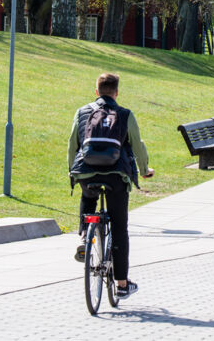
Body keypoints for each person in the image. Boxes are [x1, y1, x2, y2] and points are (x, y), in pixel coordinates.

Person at [68, 72, 153, 299]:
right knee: (119, 227)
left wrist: (72, 173)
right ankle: (122, 283)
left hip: (87, 172)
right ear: (116, 93)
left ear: (96, 92)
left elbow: (72, 144)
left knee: (87, 196)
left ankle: (86, 237)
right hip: (117, 175)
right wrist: (144, 171)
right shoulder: (125, 114)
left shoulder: (83, 112)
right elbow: (137, 145)